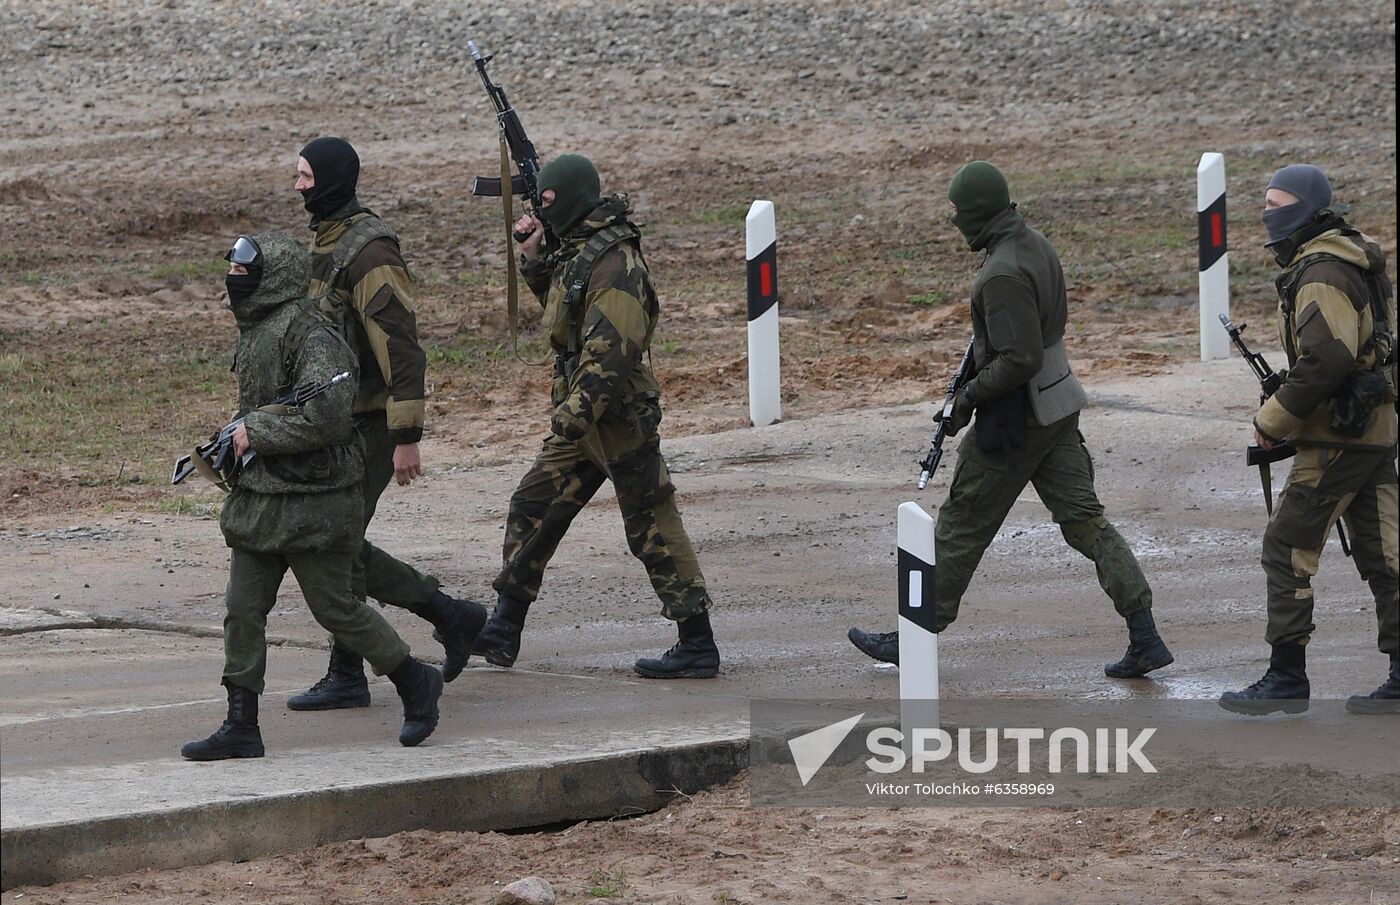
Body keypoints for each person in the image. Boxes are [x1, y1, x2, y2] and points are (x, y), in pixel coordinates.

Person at [847, 161, 1173, 679]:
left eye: (957, 211)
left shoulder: (1000, 272)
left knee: (961, 524)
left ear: (975, 212)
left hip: (1015, 421)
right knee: (1087, 522)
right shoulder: (1034, 243)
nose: (953, 221)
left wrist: (968, 396)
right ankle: (1145, 632)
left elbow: (1017, 357)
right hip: (1057, 406)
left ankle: (913, 637)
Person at [181, 234, 444, 760]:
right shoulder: (258, 328)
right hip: (262, 496)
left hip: (314, 499)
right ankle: (241, 725)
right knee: (242, 609)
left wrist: (258, 433)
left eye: (244, 270)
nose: (234, 279)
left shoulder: (310, 333)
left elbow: (327, 417)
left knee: (336, 608)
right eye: (232, 270)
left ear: (271, 277)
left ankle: (416, 681)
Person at [480, 153, 721, 678]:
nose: (540, 210)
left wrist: (571, 415)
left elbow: (610, 354)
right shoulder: (578, 249)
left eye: (546, 201)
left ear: (571, 200)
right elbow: (564, 313)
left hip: (614, 416)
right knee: (534, 504)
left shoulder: (617, 261)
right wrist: (534, 257)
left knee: (650, 522)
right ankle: (503, 627)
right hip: (583, 416)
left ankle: (697, 643)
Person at [287, 137, 486, 710]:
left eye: (305, 176)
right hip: (335, 425)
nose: (298, 186)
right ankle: (448, 618)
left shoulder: (368, 252)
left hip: (368, 429)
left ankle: (367, 663)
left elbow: (400, 345)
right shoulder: (324, 245)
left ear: (328, 180)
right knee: (339, 544)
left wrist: (405, 436)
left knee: (335, 546)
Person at [1219, 164, 1398, 716]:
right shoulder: (1349, 260)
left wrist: (1272, 420)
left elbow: (1328, 358)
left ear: (1304, 207)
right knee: (1386, 554)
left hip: (1338, 436)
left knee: (1287, 548)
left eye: (1277, 202)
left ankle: (1286, 678)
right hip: (1377, 430)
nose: (1267, 213)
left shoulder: (1320, 271)